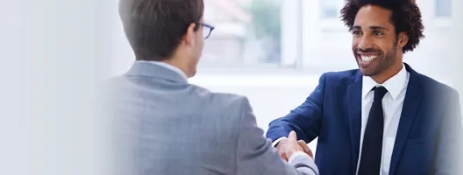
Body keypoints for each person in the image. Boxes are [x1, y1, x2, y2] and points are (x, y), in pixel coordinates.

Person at [107, 0, 318, 174]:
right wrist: (297, 156)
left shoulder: (90, 100)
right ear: (190, 34)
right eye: (203, 28)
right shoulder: (229, 115)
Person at [265, 0, 463, 174]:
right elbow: (282, 125)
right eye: (357, 32)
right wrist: (284, 144)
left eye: (377, 32)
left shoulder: (440, 100)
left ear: (401, 39)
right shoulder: (332, 89)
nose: (363, 44)